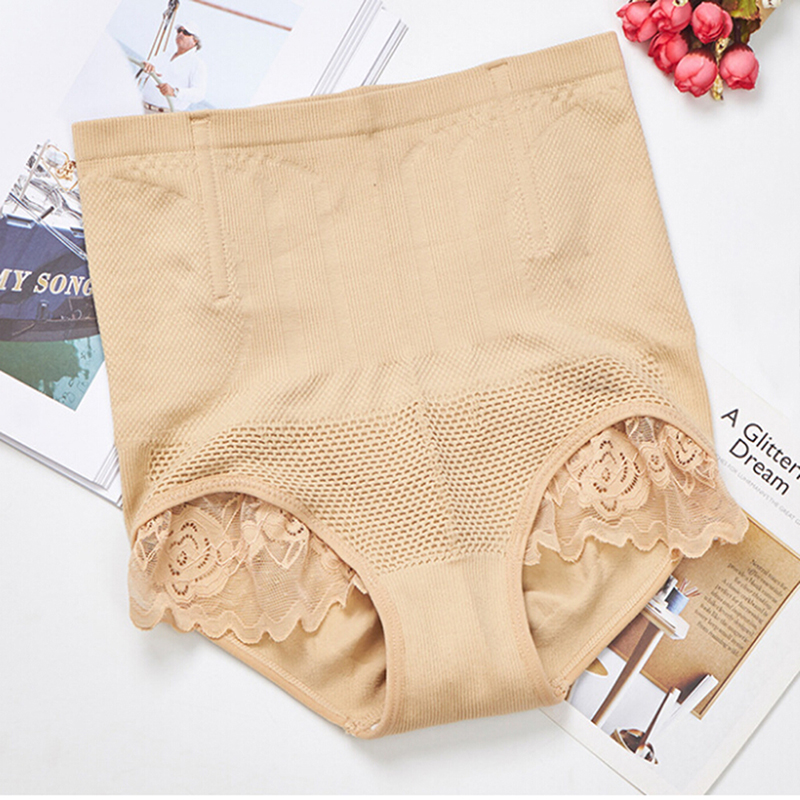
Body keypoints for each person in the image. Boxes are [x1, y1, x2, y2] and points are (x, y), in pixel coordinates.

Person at [140, 22, 207, 113]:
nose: (180, 34)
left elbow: (199, 94)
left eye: (186, 33)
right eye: (179, 31)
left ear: (195, 41)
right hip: (141, 107)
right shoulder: (164, 55)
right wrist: (146, 68)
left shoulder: (197, 64)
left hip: (164, 115)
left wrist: (175, 92)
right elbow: (141, 75)